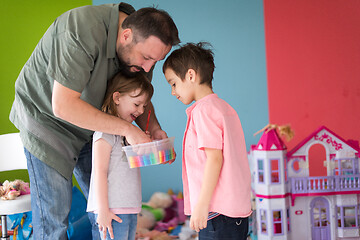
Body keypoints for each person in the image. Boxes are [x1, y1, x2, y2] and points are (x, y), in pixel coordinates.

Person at [9, 2, 179, 239]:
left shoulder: (137, 50)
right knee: (54, 218)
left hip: (95, 123)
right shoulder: (79, 30)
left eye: (155, 62)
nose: (148, 67)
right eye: (147, 58)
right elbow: (64, 106)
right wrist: (126, 129)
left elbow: (138, 94)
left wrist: (154, 129)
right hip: (47, 120)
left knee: (110, 209)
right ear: (126, 35)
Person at [162, 42, 252, 240]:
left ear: (191, 76)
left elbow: (214, 159)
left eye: (173, 83)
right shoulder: (224, 108)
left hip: (217, 211)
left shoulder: (203, 111)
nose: (172, 92)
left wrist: (201, 205)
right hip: (235, 210)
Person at [86, 72, 153, 240]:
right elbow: (99, 171)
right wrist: (102, 210)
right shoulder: (104, 132)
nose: (141, 111)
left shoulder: (128, 134)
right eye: (137, 104)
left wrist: (145, 145)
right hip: (111, 210)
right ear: (117, 97)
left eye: (144, 106)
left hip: (129, 208)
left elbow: (134, 163)